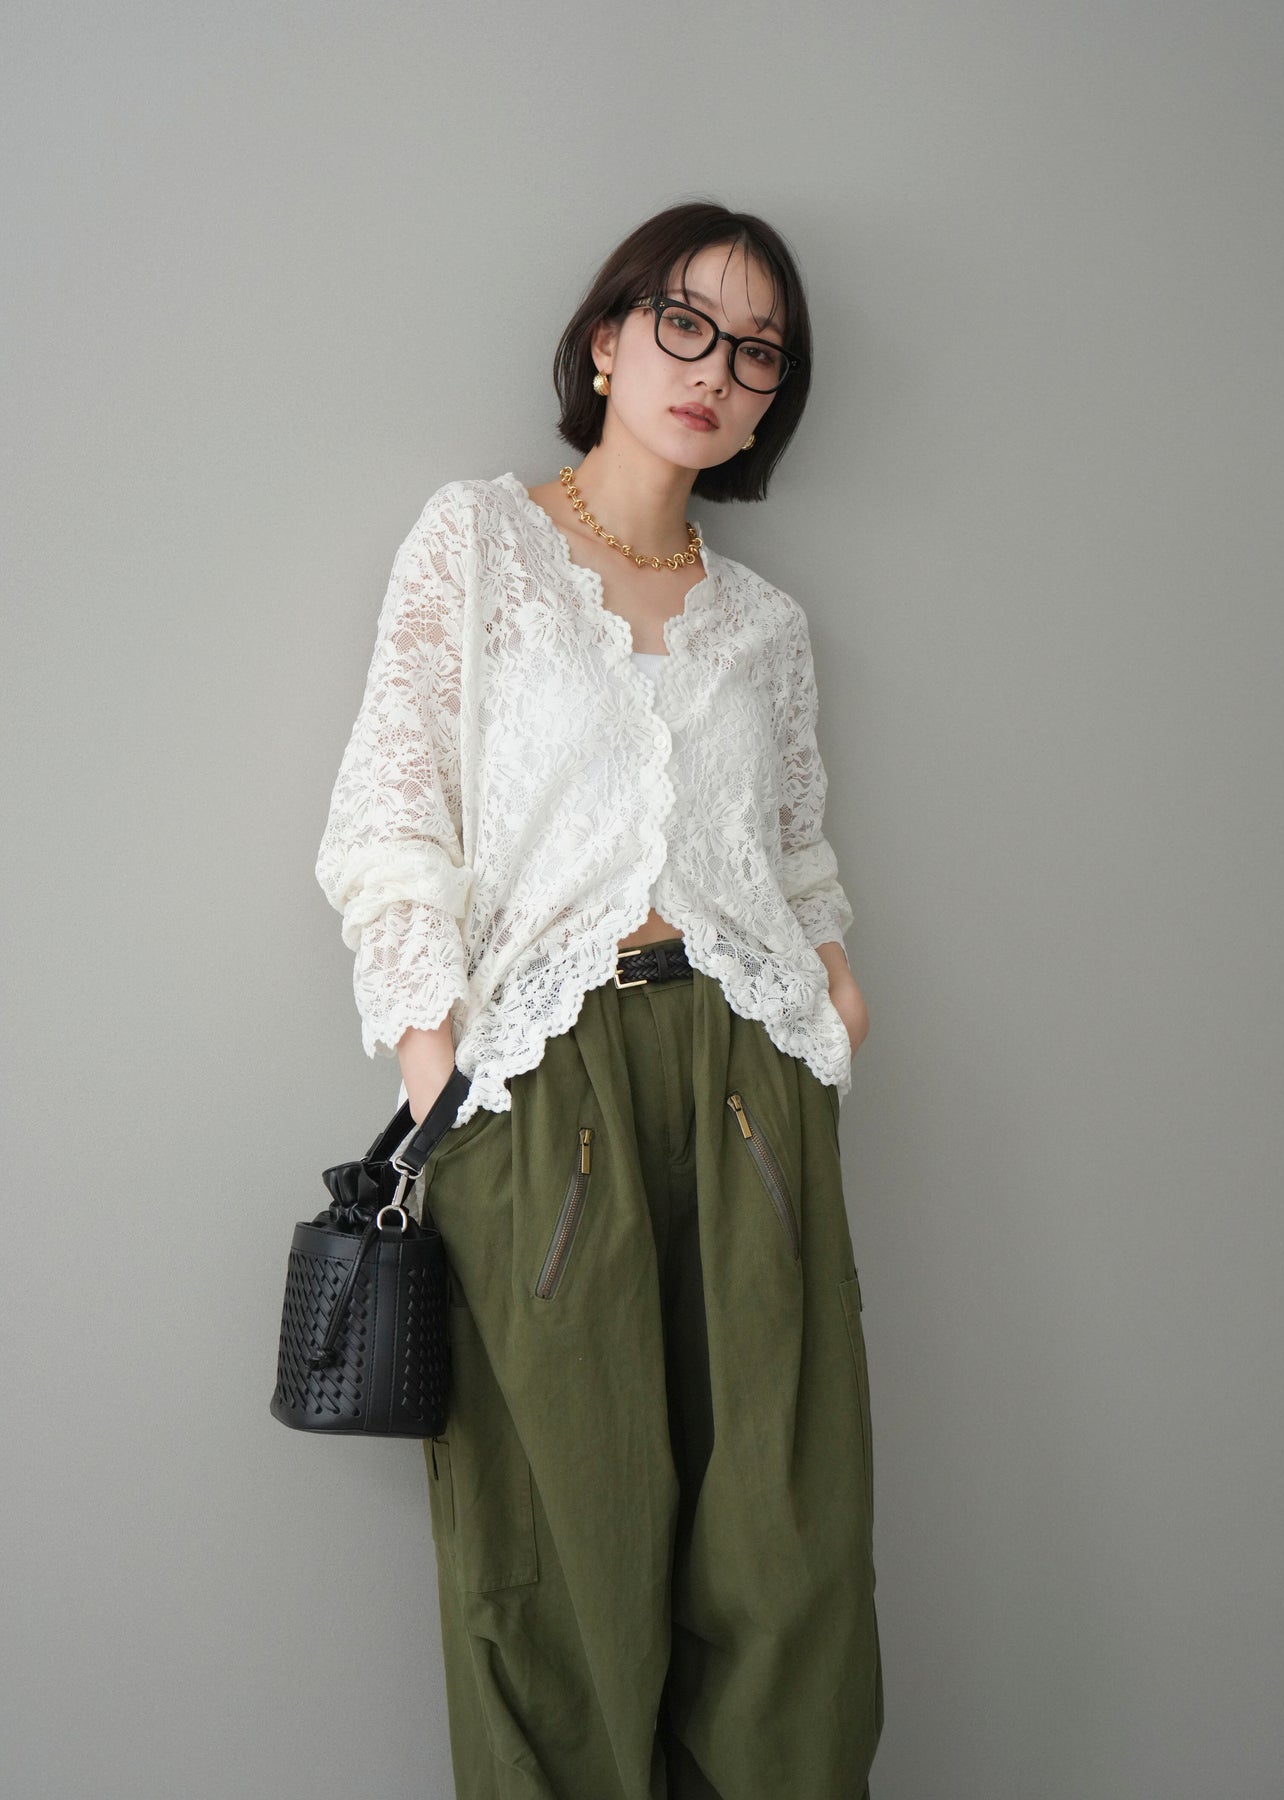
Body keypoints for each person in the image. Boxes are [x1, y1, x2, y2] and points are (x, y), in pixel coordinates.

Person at [315, 199, 882, 1800]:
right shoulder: (477, 542)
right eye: (685, 324)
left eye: (757, 352)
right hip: (540, 1080)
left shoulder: (764, 627)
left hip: (752, 1075)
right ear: (606, 341)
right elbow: (389, 816)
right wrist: (434, 1060)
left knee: (784, 1549)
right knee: (565, 1549)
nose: (716, 369)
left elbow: (798, 857)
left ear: (770, 402)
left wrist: (836, 1002)